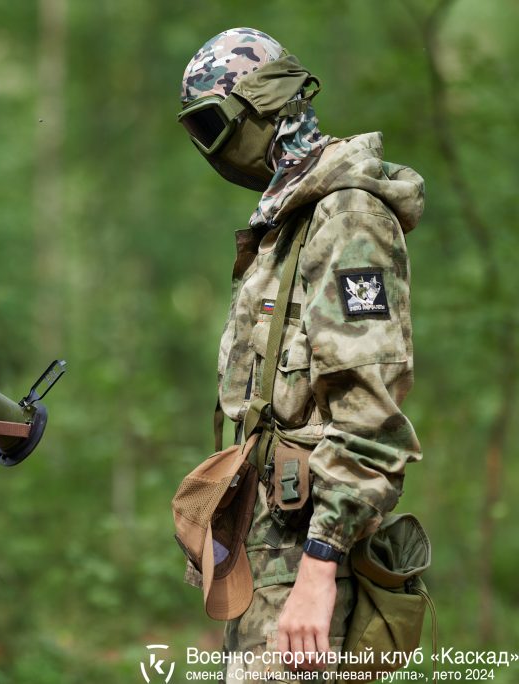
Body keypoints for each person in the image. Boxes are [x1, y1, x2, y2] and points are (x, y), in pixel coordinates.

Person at [175, 28, 424, 679]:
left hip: (314, 558)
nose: (212, 148)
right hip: (269, 555)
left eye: (212, 123)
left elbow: (371, 417)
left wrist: (318, 570)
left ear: (260, 106)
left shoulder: (347, 219)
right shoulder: (292, 220)